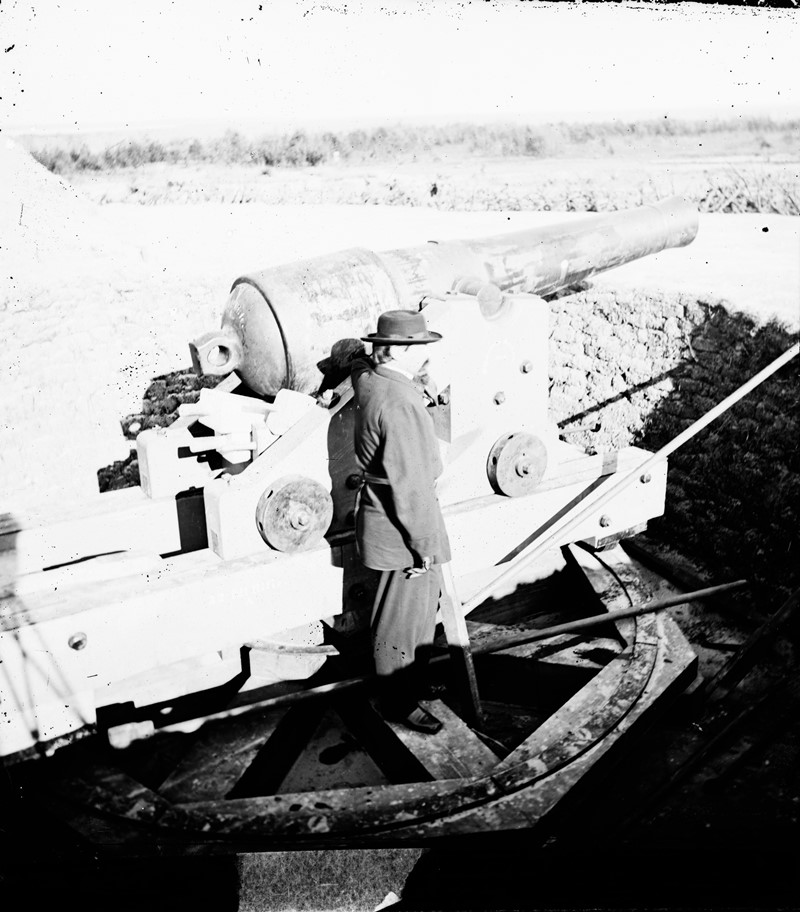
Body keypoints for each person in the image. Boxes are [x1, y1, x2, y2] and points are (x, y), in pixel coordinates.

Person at [351, 309, 450, 734]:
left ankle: (416, 681)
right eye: (419, 347)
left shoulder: (371, 379)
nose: (426, 353)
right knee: (400, 621)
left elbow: (357, 366)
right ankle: (398, 702)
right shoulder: (402, 403)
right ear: (395, 350)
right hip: (402, 530)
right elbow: (411, 487)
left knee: (422, 609)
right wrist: (424, 546)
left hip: (381, 515)